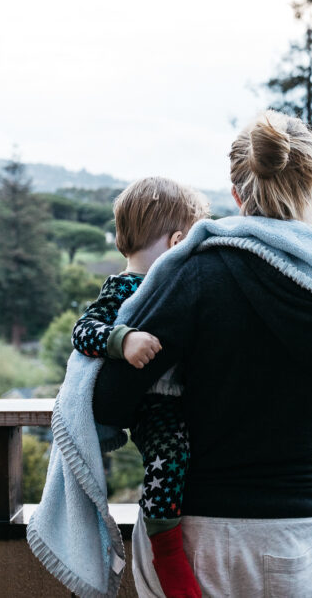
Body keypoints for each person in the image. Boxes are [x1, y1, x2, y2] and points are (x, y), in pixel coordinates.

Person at [92, 110, 312, 597]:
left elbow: (109, 400)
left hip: (191, 535)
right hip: (300, 535)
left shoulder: (197, 275)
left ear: (237, 196)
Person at [72, 176, 209, 598]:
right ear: (178, 242)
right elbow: (83, 331)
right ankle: (165, 546)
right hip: (155, 404)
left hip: (190, 399)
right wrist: (122, 340)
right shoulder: (124, 288)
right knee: (170, 455)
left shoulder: (178, 286)